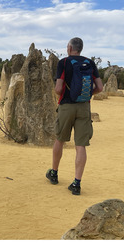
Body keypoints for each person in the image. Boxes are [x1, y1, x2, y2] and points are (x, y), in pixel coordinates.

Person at [46, 37, 103, 195]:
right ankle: (77, 184)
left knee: (60, 139)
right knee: (81, 145)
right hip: (84, 107)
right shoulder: (90, 63)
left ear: (70, 48)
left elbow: (58, 89)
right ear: (81, 49)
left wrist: (67, 91)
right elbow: (99, 87)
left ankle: (54, 173)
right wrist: (88, 94)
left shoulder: (63, 63)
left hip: (66, 106)